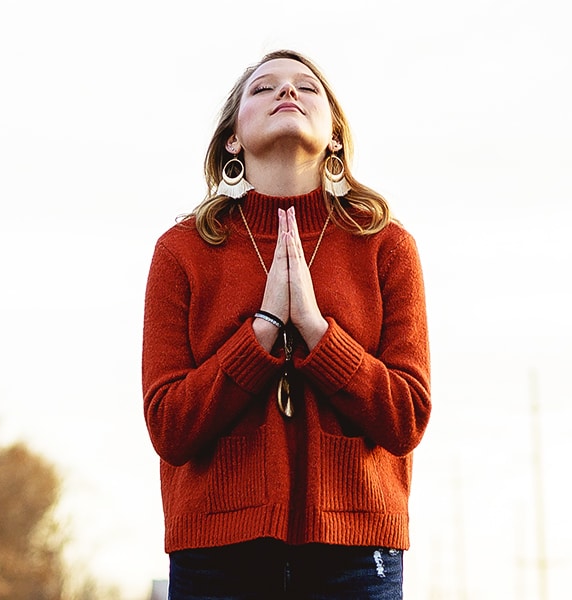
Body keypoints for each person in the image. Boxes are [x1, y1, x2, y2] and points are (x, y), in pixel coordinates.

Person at [141, 49, 431, 599]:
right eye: (263, 88)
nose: (287, 92)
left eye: (307, 87)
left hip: (355, 545)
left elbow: (407, 416)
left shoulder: (386, 247)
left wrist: (319, 334)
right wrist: (264, 330)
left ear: (336, 137)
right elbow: (169, 426)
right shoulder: (182, 251)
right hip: (215, 549)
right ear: (232, 138)